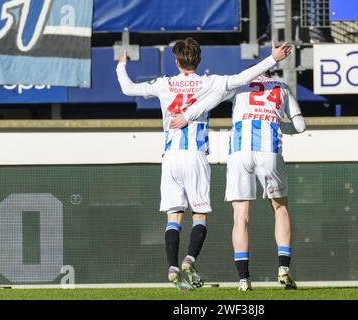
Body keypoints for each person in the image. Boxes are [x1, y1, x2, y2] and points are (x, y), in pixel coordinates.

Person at [116, 37, 292, 290]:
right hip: (196, 156)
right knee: (199, 215)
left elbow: (128, 89)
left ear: (176, 61)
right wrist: (272, 59)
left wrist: (121, 65)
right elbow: (244, 78)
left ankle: (172, 267)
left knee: (173, 216)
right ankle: (190, 259)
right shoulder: (210, 83)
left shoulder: (164, 84)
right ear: (199, 60)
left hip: (171, 157)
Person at [170, 70, 305, 291]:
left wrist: (187, 115)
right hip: (269, 151)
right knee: (280, 210)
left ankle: (244, 279)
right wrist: (277, 126)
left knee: (240, 216)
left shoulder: (239, 84)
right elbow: (300, 127)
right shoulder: (282, 87)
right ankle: (284, 269)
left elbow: (211, 98)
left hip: (239, 152)